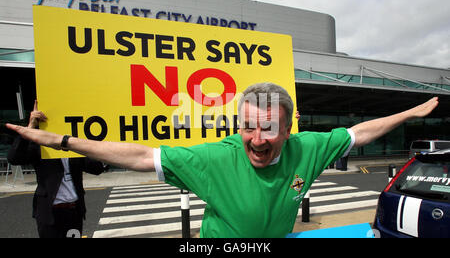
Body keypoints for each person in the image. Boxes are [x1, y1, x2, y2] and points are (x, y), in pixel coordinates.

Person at [6, 83, 439, 238]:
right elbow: (138, 155)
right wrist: (60, 139)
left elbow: (359, 133)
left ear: (289, 130)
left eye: (270, 128)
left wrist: (409, 113)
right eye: (248, 126)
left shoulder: (309, 147)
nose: (257, 138)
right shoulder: (214, 158)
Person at [7, 100, 108, 238]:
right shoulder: (40, 145)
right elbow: (14, 158)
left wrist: (104, 150)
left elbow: (96, 168)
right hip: (49, 213)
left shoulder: (74, 146)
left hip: (73, 212)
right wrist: (30, 127)